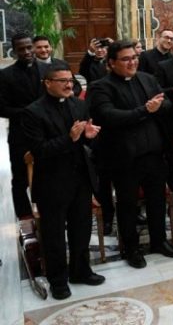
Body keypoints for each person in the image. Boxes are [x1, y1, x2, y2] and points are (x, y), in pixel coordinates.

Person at [88, 40, 173, 268]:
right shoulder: (101, 87)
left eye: (134, 57)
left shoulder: (147, 79)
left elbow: (167, 104)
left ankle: (159, 241)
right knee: (127, 205)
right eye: (126, 59)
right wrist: (145, 110)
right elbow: (108, 116)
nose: (132, 62)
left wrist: (157, 107)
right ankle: (131, 248)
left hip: (154, 153)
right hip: (124, 158)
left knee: (157, 201)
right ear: (111, 62)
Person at [20, 64, 104, 299]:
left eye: (70, 80)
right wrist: (70, 138)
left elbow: (84, 143)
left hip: (80, 178)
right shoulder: (33, 112)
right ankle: (58, 280)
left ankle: (81, 271)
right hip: (52, 183)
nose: (69, 85)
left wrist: (88, 137)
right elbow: (39, 150)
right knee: (54, 235)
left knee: (81, 228)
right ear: (47, 83)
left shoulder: (78, 104)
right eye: (62, 81)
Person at [0, 33, 46, 218]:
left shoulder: (48, 69)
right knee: (20, 180)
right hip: (21, 135)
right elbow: (2, 108)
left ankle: (50, 214)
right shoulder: (5, 75)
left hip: (48, 132)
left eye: (29, 47)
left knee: (49, 176)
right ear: (14, 51)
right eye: (21, 49)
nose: (27, 52)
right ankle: (26, 221)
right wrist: (30, 112)